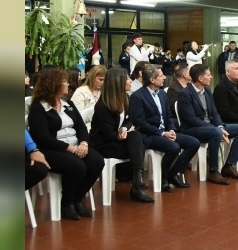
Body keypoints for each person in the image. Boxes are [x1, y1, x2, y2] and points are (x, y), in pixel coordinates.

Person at [28, 68, 104, 220]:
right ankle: (67, 203)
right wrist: (70, 148)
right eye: (64, 81)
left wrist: (83, 143)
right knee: (77, 166)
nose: (67, 84)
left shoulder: (67, 104)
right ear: (52, 85)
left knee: (97, 162)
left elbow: (81, 127)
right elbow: (42, 138)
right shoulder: (38, 109)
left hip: (76, 146)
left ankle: (77, 199)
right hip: (52, 150)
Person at [130, 64, 200, 192]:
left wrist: (172, 129)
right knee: (174, 147)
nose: (164, 78)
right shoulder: (137, 96)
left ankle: (173, 174)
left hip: (165, 132)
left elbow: (168, 115)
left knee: (193, 143)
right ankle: (163, 179)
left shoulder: (162, 93)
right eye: (161, 75)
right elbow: (140, 123)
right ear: (152, 80)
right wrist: (162, 134)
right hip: (149, 135)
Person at [89, 68, 154, 203]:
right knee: (137, 142)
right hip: (102, 145)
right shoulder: (103, 106)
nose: (131, 81)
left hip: (118, 139)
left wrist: (125, 128)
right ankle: (137, 185)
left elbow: (130, 119)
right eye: (128, 79)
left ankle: (137, 182)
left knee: (136, 138)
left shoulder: (125, 98)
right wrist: (121, 134)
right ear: (118, 82)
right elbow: (107, 135)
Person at [177, 63, 238, 184]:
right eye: (209, 75)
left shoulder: (207, 91)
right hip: (193, 129)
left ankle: (229, 165)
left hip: (212, 127)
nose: (211, 77)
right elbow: (191, 120)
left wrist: (220, 126)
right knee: (215, 132)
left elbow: (215, 113)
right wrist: (216, 129)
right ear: (200, 78)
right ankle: (213, 171)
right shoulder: (185, 94)